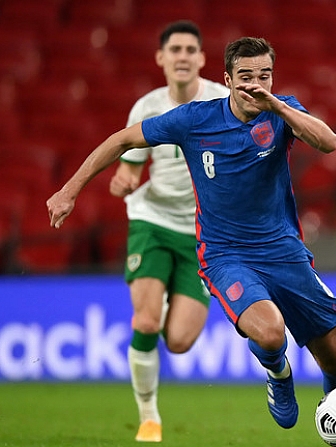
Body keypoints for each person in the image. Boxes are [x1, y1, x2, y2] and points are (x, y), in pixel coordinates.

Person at [48, 36, 336, 434]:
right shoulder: (195, 119)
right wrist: (70, 190)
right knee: (269, 331)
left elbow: (329, 142)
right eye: (245, 76)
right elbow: (121, 139)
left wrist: (278, 105)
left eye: (264, 76)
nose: (255, 85)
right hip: (226, 255)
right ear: (227, 79)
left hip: (284, 251)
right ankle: (279, 374)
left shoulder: (283, 111)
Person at [107, 20, 229, 443]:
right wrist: (122, 178)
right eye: (174, 49)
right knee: (143, 319)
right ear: (161, 58)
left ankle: (161, 307)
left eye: (189, 49)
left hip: (201, 231)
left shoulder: (222, 101)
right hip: (153, 221)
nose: (182, 56)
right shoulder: (147, 107)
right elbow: (129, 167)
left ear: (201, 58)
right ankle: (149, 417)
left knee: (178, 342)